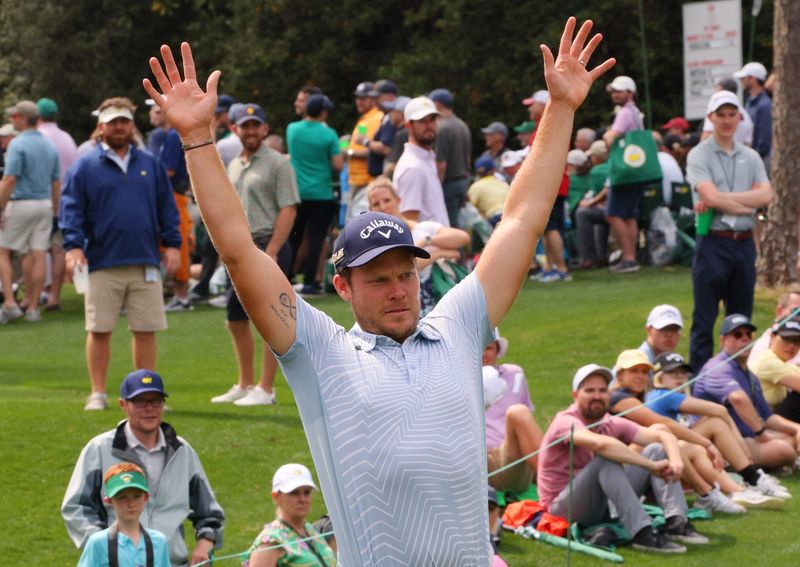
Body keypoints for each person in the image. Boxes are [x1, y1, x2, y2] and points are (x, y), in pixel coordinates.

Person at [143, 18, 615, 564]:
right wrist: (198, 139)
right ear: (342, 286)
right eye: (378, 279)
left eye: (405, 274)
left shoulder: (458, 325)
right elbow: (239, 252)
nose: (398, 290)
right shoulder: (320, 352)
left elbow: (522, 220)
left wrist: (560, 109)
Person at [60, 98, 180, 410]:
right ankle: (97, 392)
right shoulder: (85, 166)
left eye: (124, 121)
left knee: (145, 329)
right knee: (99, 329)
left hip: (146, 261)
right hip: (101, 260)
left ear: (131, 124)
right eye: (112, 121)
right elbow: (70, 209)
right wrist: (73, 246)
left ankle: (146, 393)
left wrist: (174, 245)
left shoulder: (150, 164)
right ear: (101, 126)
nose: (119, 127)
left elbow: (167, 208)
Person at [536, 364, 706, 554]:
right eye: (589, 390)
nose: (597, 396)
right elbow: (602, 445)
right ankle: (642, 533)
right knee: (606, 460)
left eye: (602, 390)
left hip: (602, 503)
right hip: (562, 509)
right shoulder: (565, 421)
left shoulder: (607, 420)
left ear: (609, 394)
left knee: (656, 449)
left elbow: (663, 434)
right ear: (575, 396)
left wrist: (676, 460)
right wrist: (650, 466)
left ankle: (677, 522)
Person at [62, 370, 225, 566]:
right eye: (140, 401)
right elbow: (77, 508)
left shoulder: (182, 451)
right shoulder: (99, 449)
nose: (150, 408)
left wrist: (205, 543)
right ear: (123, 405)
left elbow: (209, 512)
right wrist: (109, 548)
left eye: (156, 401)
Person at [211, 103, 299, 407]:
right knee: (234, 318)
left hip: (268, 246)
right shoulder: (234, 164)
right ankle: (246, 382)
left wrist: (273, 249)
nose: (250, 131)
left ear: (264, 129)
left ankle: (266, 387)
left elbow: (289, 208)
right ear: (235, 129)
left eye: (255, 125)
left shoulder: (278, 163)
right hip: (240, 249)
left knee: (270, 318)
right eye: (244, 125)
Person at [610, 350, 770, 513]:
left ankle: (730, 490)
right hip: (623, 469)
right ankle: (734, 486)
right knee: (673, 434)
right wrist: (709, 443)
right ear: (620, 376)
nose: (640, 376)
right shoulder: (630, 398)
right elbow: (667, 423)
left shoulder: (640, 396)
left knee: (691, 446)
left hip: (639, 463)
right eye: (673, 373)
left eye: (644, 372)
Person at [686, 91, 772, 373]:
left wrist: (726, 200)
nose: (726, 120)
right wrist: (745, 201)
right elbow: (710, 197)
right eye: (720, 115)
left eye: (731, 114)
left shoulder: (750, 155)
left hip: (744, 244)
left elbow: (766, 195)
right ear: (710, 118)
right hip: (713, 242)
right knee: (704, 318)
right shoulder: (699, 153)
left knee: (741, 320)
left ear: (739, 117)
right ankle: (699, 385)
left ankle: (737, 377)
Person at [647, 351, 783, 508]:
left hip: (665, 455)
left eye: (683, 373)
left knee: (703, 438)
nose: (679, 377)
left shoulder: (657, 395)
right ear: (658, 377)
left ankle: (740, 488)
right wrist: (744, 451)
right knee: (715, 423)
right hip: (663, 456)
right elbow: (720, 410)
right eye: (672, 373)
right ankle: (749, 480)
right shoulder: (664, 396)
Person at [693, 314, 800, 477]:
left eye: (747, 335)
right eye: (737, 335)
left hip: (746, 435)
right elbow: (738, 398)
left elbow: (767, 415)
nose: (744, 339)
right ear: (723, 340)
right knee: (785, 449)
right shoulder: (718, 367)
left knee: (790, 439)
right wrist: (760, 432)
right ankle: (740, 468)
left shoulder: (748, 374)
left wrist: (797, 428)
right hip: (721, 440)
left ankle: (763, 466)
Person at [367, 176, 469, 316]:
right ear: (371, 209)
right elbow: (405, 269)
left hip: (441, 292)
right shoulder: (377, 242)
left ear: (398, 200)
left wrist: (428, 240)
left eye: (387, 200)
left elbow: (462, 238)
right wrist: (438, 254)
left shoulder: (422, 228)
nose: (383, 207)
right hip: (409, 302)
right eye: (376, 204)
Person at [0, 100, 60, 324]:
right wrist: (55, 212)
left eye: (15, 116)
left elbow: (9, 179)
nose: (12, 120)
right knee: (36, 255)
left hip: (22, 202)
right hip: (44, 205)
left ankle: (9, 303)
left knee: (3, 252)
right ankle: (33, 308)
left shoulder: (17, 144)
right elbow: (56, 183)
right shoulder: (48, 145)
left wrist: (0, 207)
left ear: (24, 118)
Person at [287, 94, 342, 297]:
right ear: (323, 112)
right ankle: (310, 283)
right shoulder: (329, 134)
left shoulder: (291, 129)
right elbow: (338, 165)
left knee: (293, 238)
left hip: (298, 193)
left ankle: (286, 278)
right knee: (316, 240)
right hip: (321, 194)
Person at [482, 331, 543, 493]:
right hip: (477, 462)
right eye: (476, 347)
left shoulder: (514, 374)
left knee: (518, 412)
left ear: (497, 351)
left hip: (509, 456)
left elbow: (526, 419)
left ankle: (550, 479)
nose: (482, 353)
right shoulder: (456, 378)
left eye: (488, 348)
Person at [78, 463, 172, 567]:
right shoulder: (98, 543)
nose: (131, 503)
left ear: (145, 498)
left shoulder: (159, 541)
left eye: (136, 496)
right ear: (109, 501)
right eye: (122, 497)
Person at [244, 464, 336, 567]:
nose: (302, 499)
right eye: (294, 493)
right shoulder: (270, 541)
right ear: (276, 497)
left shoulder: (310, 531)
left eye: (307, 492)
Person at [37, 97, 78, 312]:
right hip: (66, 200)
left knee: (36, 250)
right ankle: (53, 296)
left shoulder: (39, 138)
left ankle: (36, 297)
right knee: (59, 249)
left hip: (44, 200)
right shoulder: (67, 138)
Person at [602, 75, 645, 273]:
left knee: (613, 214)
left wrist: (606, 136)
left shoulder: (625, 113)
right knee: (629, 216)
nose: (615, 94)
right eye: (614, 91)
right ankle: (631, 257)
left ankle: (628, 258)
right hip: (636, 170)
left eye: (619, 91)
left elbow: (611, 138)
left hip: (624, 172)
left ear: (630, 93)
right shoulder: (636, 112)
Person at [393, 96, 450, 225]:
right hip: (429, 244)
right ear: (408, 125)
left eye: (432, 119)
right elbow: (409, 222)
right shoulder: (413, 167)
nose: (429, 125)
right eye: (422, 121)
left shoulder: (426, 159)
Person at [159, 118, 194, 312]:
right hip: (176, 196)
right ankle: (179, 294)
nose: (153, 114)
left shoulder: (173, 135)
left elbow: (169, 171)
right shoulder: (170, 135)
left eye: (157, 110)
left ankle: (182, 296)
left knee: (179, 245)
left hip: (174, 196)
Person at [429, 88, 473, 227]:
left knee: (448, 225)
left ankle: (457, 249)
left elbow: (441, 164)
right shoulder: (462, 124)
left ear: (438, 104)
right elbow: (468, 157)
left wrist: (436, 188)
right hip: (463, 181)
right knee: (458, 223)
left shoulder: (442, 127)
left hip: (449, 184)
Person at [749, 318, 800, 423]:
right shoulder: (768, 362)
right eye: (786, 340)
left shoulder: (780, 362)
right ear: (772, 337)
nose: (791, 346)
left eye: (796, 341)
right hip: (759, 420)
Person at [344, 82, 383, 220]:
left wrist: (349, 153)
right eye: (358, 98)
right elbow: (358, 143)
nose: (359, 101)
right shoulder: (365, 119)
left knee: (361, 223)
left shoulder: (376, 118)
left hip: (367, 180)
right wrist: (347, 145)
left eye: (363, 98)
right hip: (357, 179)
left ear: (373, 98)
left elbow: (371, 150)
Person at [574, 140, 609, 269]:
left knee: (582, 213)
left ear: (597, 157)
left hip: (611, 209)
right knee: (597, 218)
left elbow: (596, 194)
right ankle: (601, 256)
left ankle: (588, 259)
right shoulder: (613, 165)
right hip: (622, 208)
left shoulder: (597, 171)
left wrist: (590, 203)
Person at [733, 62, 772, 169]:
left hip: (760, 163)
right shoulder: (750, 103)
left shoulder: (765, 104)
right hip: (751, 160)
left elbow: (764, 141)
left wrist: (750, 160)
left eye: (743, 78)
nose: (741, 81)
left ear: (753, 79)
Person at [749, 290, 800, 366]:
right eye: (797, 312)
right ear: (779, 311)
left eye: (796, 341)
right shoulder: (767, 342)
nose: (791, 345)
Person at [365, 80, 398, 179]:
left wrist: (365, 142)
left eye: (377, 97)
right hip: (380, 175)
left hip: (387, 176)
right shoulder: (385, 116)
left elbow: (385, 148)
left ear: (391, 96)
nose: (374, 101)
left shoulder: (393, 117)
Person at [467, 157, 510, 227]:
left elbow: (470, 209)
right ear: (493, 170)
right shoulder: (503, 184)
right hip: (510, 215)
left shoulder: (475, 187)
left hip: (495, 218)